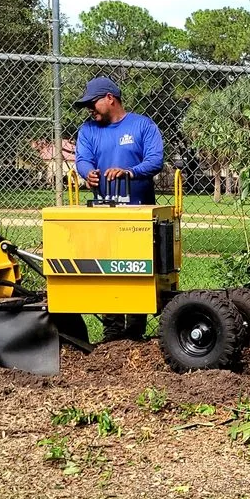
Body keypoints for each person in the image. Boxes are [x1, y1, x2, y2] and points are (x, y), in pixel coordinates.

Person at [73, 75, 164, 342]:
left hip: (138, 213)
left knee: (137, 269)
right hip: (103, 214)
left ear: (110, 99)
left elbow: (155, 160)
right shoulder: (88, 130)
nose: (90, 108)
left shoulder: (142, 126)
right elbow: (83, 159)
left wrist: (129, 173)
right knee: (106, 270)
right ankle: (112, 332)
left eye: (93, 102)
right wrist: (88, 173)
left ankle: (135, 330)